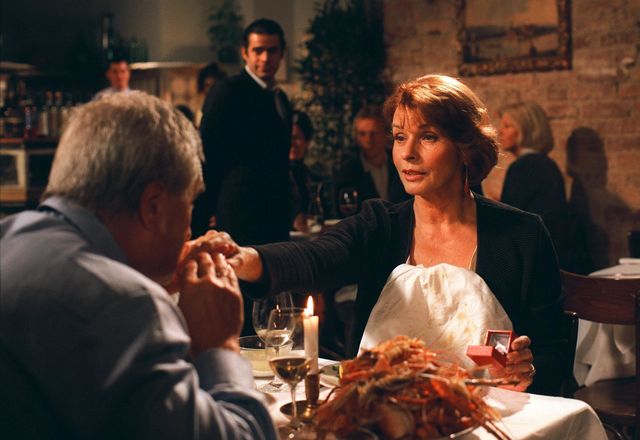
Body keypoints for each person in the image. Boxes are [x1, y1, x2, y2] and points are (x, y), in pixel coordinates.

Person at [221, 75, 566, 396]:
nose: (407, 153)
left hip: (488, 414)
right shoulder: (379, 225)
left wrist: (527, 370)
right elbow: (316, 257)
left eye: (428, 136)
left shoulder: (522, 235)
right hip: (382, 411)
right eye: (400, 137)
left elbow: (556, 354)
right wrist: (244, 258)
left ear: (466, 148)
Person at [0, 92, 277, 439]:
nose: (189, 231)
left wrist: (156, 277)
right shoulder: (126, 304)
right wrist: (220, 345)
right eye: (190, 204)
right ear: (153, 206)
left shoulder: (12, 236)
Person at [194, 19, 292, 335]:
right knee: (244, 312)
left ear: (282, 53)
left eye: (272, 50)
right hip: (239, 216)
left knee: (274, 307)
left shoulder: (280, 97)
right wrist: (201, 220)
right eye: (258, 50)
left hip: (273, 220)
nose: (265, 58)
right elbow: (206, 157)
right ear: (245, 53)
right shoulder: (227, 91)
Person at [497, 102, 572, 270]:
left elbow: (508, 221)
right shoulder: (547, 164)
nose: (500, 131)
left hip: (535, 260)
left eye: (507, 126)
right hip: (553, 256)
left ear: (525, 129)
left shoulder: (522, 167)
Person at [334, 105, 410, 216]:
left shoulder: (401, 164)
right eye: (362, 134)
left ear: (386, 134)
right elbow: (342, 212)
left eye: (373, 134)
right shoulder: (348, 171)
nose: (368, 140)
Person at [289, 110, 315, 231]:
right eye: (288, 137)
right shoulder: (273, 178)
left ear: (307, 142)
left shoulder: (313, 178)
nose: (292, 144)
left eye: (297, 138)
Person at [195, 62, 227, 126]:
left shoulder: (226, 105)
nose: (210, 89)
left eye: (213, 85)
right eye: (207, 85)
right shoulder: (203, 108)